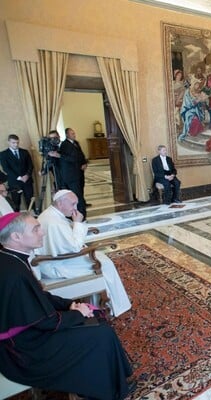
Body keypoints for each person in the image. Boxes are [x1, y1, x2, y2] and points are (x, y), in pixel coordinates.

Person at [0, 212, 134, 399]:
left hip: (27, 336)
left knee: (98, 325)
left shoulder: (12, 259)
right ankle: (105, 391)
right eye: (36, 229)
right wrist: (79, 313)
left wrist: (70, 304)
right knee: (100, 334)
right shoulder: (14, 272)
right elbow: (44, 321)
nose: (42, 232)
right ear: (16, 236)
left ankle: (116, 381)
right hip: (24, 350)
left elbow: (38, 297)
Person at [35, 190, 132, 317]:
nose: (75, 208)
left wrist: (77, 225)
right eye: (73, 204)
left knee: (104, 260)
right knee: (105, 264)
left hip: (55, 260)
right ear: (60, 203)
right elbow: (75, 247)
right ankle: (115, 306)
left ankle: (101, 302)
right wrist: (78, 223)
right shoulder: (54, 222)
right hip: (58, 265)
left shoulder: (50, 213)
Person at [58, 128, 88, 218]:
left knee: (80, 189)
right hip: (71, 174)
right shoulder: (64, 145)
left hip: (79, 171)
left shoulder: (76, 143)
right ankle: (81, 213)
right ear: (67, 135)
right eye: (72, 133)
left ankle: (82, 206)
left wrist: (84, 163)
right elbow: (69, 158)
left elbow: (80, 155)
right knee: (77, 193)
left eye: (74, 133)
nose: (74, 135)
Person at [0, 134, 34, 211]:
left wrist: (27, 175)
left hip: (27, 181)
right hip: (14, 182)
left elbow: (30, 165)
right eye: (13, 143)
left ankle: (32, 217)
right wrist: (19, 177)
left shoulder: (25, 152)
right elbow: (6, 168)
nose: (16, 144)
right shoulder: (3, 154)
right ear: (8, 142)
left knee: (30, 200)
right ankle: (16, 220)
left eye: (17, 142)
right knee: (16, 203)